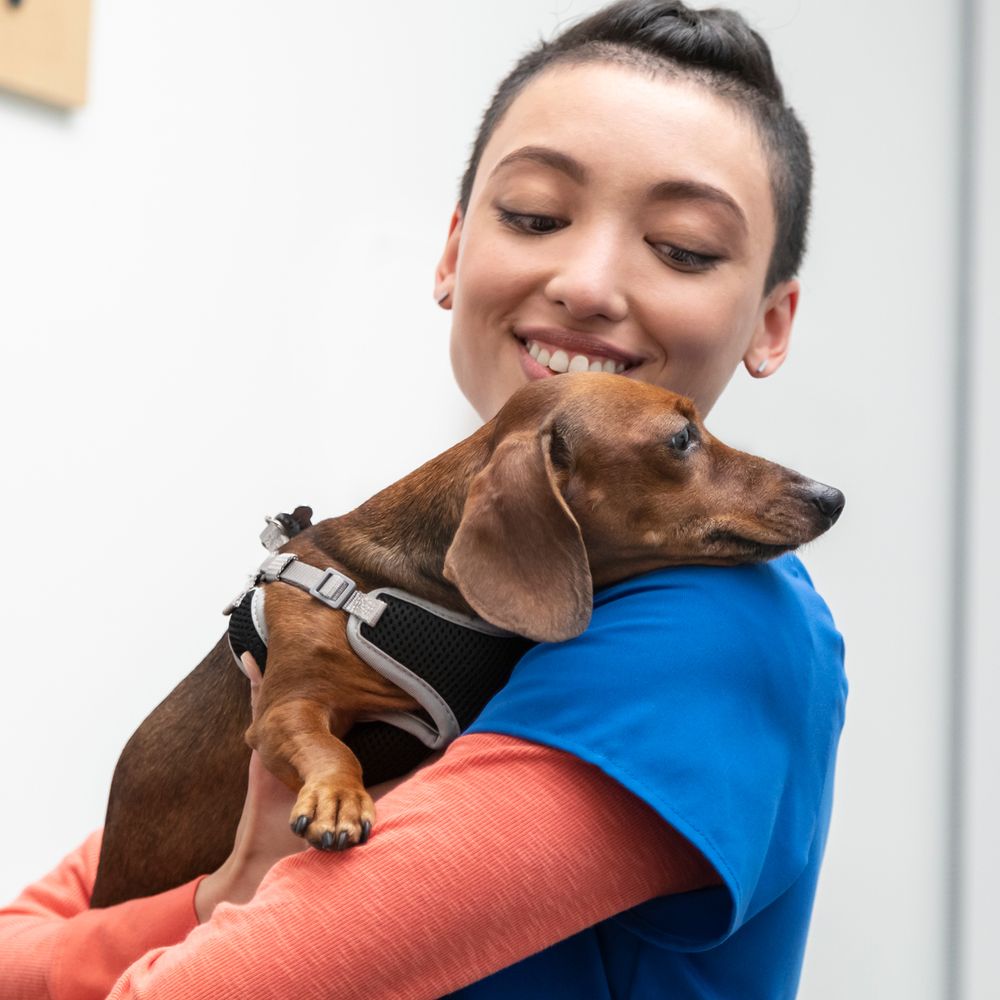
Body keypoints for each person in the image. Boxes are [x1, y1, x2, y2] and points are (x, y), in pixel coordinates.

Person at [0, 2, 846, 997]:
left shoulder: (712, 631)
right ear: (451, 254)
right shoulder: (421, 604)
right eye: (534, 215)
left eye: (684, 247)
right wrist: (216, 897)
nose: (587, 282)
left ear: (772, 322)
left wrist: (217, 913)